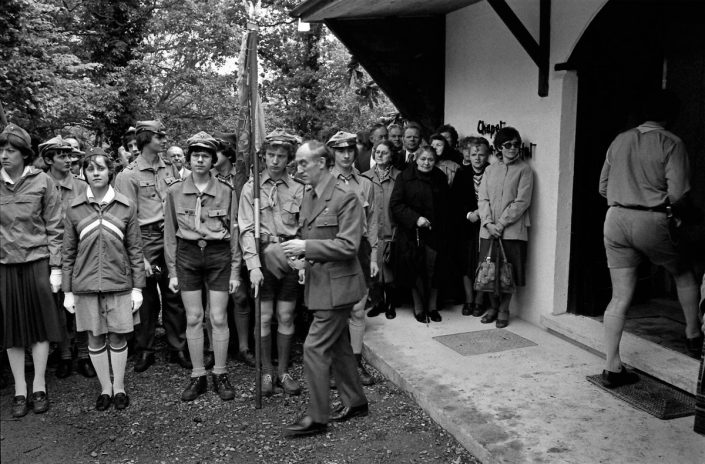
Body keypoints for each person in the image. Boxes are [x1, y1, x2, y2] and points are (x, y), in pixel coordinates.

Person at [598, 90, 702, 387]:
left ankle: (611, 366)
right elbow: (679, 193)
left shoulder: (620, 140)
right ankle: (693, 335)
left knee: (619, 296)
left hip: (615, 218)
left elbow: (603, 187)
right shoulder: (671, 142)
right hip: (652, 219)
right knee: (682, 272)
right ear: (670, 116)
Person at [282, 140, 368, 438]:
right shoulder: (309, 195)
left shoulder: (346, 197)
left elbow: (348, 245)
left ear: (321, 162)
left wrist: (307, 246)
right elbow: (312, 234)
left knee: (314, 348)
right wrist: (301, 257)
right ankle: (356, 401)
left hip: (339, 288)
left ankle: (317, 418)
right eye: (297, 163)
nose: (298, 168)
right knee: (339, 346)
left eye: (303, 163)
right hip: (320, 285)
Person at [61, 151, 145, 411]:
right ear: (84, 173)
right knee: (95, 339)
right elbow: (68, 253)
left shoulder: (126, 205)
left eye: (100, 168)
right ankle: (104, 389)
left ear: (111, 172)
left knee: (119, 337)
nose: (95, 173)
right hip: (85, 286)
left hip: (119, 283)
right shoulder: (74, 208)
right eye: (89, 168)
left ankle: (118, 387)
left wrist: (137, 287)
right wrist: (67, 291)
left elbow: (135, 249)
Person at [164, 131, 241, 401]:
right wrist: (173, 271)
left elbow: (234, 233)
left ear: (213, 160)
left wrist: (235, 270)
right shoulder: (175, 191)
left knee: (218, 317)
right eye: (195, 155)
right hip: (188, 255)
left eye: (205, 155)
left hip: (218, 255)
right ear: (189, 158)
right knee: (194, 317)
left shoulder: (226, 191)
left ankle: (220, 373)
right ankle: (198, 375)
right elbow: (170, 235)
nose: (199, 160)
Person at [114, 120, 190, 372]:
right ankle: (145, 349)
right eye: (160, 135)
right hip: (144, 238)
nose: (164, 139)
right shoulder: (128, 175)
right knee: (145, 300)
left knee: (174, 294)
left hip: (171, 237)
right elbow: (125, 218)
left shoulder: (171, 168)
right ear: (147, 138)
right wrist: (140, 257)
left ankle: (177, 347)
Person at [1, 123, 64, 418]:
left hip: (37, 261)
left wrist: (56, 268)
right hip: (4, 266)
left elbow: (55, 225)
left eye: (10, 150)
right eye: (1, 149)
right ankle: (19, 389)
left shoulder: (42, 181)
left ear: (24, 154)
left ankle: (39, 384)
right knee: (11, 329)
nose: (3, 155)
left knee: (39, 326)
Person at [239, 129, 304, 396]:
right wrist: (253, 266)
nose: (275, 160)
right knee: (264, 317)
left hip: (289, 255)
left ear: (288, 158)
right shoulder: (251, 188)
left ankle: (283, 371)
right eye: (270, 155)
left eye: (281, 155)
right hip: (263, 256)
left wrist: (302, 262)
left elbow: (304, 228)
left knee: (286, 315)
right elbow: (244, 228)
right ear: (263, 156)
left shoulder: (299, 188)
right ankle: (266, 371)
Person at [39, 136, 96, 379]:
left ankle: (83, 354)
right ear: (49, 159)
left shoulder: (82, 187)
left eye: (69, 154)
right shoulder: (40, 184)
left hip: (78, 254)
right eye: (61, 155)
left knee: (79, 304)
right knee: (56, 307)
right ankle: (64, 354)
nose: (68, 159)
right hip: (49, 253)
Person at [327, 130, 378, 386]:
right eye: (340, 151)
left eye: (350, 150)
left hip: (360, 250)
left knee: (358, 310)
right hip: (334, 250)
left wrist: (375, 256)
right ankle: (337, 366)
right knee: (337, 311)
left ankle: (356, 364)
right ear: (333, 153)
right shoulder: (324, 182)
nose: (346, 155)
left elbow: (373, 221)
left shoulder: (366, 183)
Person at [477, 127, 533, 329]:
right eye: (507, 145)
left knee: (508, 272)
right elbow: (482, 199)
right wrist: (488, 223)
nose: (512, 148)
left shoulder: (525, 170)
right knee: (488, 270)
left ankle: (504, 309)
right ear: (499, 147)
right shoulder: (490, 170)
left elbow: (522, 201)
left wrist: (501, 224)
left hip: (512, 231)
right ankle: (492, 307)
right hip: (488, 230)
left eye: (516, 144)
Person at [390, 146, 451, 323]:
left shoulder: (440, 177)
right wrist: (416, 219)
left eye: (430, 159)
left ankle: (432, 307)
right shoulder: (404, 177)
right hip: (412, 233)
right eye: (423, 159)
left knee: (435, 270)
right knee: (414, 270)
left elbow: (447, 206)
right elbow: (396, 205)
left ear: (435, 161)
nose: (426, 163)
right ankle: (418, 308)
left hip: (436, 233)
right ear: (416, 159)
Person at [212, 133, 254, 367]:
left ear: (227, 154)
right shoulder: (208, 178)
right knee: (216, 300)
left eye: (215, 152)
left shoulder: (243, 176)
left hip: (243, 240)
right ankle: (216, 347)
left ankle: (244, 347)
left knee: (241, 296)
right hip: (217, 243)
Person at [451, 137, 491, 317]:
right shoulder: (462, 173)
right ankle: (468, 299)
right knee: (466, 263)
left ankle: (479, 301)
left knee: (483, 263)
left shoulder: (493, 172)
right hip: (467, 226)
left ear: (487, 155)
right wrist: (468, 214)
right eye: (474, 154)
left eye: (481, 154)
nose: (477, 158)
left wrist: (481, 213)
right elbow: (455, 200)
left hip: (486, 225)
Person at [364, 140, 401, 319]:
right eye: (377, 152)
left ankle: (391, 304)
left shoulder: (399, 177)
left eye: (384, 152)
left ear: (391, 154)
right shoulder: (364, 178)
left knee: (390, 272)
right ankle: (377, 303)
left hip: (392, 229)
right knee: (374, 271)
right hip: (372, 232)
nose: (379, 155)